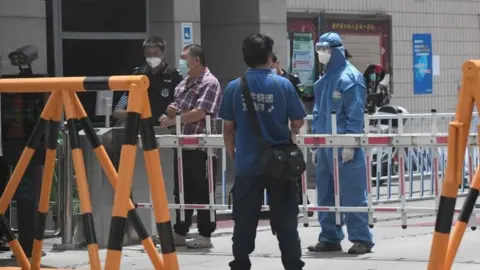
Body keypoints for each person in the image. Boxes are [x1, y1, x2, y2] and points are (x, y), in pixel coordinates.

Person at [219, 33, 306, 270]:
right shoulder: (283, 84)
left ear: (245, 58)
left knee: (245, 219)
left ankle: (241, 262)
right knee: (286, 218)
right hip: (280, 164)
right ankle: (292, 264)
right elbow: (298, 122)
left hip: (247, 164)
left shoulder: (234, 88)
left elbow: (228, 128)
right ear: (270, 56)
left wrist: (233, 154)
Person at [308, 32, 374, 254]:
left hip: (346, 145)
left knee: (352, 191)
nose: (321, 54)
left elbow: (355, 113)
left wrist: (350, 142)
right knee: (325, 192)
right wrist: (316, 144)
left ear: (336, 50)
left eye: (325, 49)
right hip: (326, 144)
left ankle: (361, 239)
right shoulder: (323, 80)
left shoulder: (350, 78)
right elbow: (317, 114)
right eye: (319, 49)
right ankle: (329, 236)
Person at [159, 44, 222, 249]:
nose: (181, 62)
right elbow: (177, 107)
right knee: (182, 190)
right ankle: (180, 231)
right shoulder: (184, 82)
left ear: (196, 60)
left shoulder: (209, 83)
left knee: (204, 190)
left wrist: (175, 119)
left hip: (202, 147)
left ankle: (205, 234)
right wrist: (169, 114)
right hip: (182, 146)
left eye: (184, 58)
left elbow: (201, 111)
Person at [270, 53, 313, 217]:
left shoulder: (291, 80)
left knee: (295, 162)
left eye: (272, 66)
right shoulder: (269, 82)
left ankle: (303, 201)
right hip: (281, 126)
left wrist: (295, 127)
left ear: (277, 63)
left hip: (294, 123)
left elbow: (299, 102)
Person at [113, 36, 183, 125]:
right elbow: (120, 107)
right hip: (141, 127)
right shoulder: (138, 74)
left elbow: (182, 102)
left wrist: (173, 112)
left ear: (163, 52)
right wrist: (130, 113)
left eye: (155, 53)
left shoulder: (174, 74)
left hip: (165, 127)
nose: (151, 56)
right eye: (148, 53)